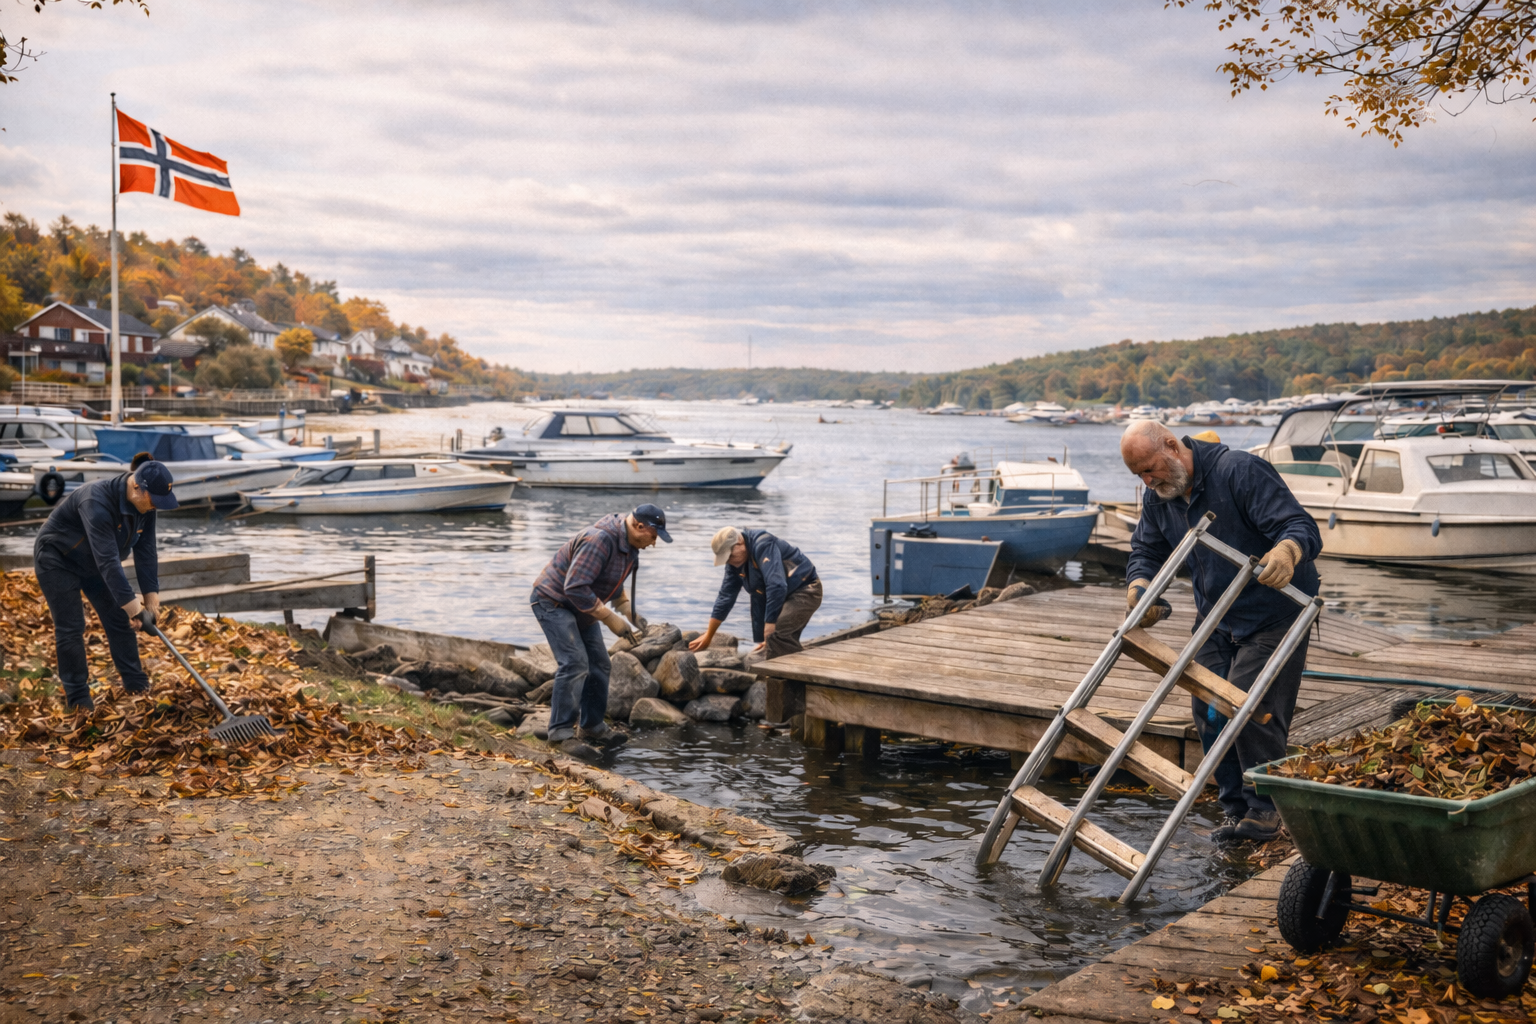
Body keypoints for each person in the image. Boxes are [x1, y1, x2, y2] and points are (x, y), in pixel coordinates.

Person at [1120, 420, 1322, 843]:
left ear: (1173, 447)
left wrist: (1288, 552)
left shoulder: (1239, 471)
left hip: (1275, 613)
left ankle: (1267, 808)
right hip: (1217, 614)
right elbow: (1146, 549)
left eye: (1150, 468)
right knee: (1209, 710)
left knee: (1250, 707)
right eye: (1138, 474)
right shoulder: (1161, 496)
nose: (1146, 480)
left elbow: (1300, 526)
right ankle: (1235, 808)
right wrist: (1140, 588)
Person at [33, 455, 179, 712]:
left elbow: (146, 551)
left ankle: (136, 685)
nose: (157, 506)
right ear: (137, 487)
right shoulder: (96, 500)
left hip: (94, 562)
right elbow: (109, 563)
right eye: (154, 501)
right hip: (58, 559)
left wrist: (151, 598)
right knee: (71, 627)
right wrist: (135, 608)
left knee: (119, 620)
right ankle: (79, 701)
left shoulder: (146, 506)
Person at [530, 503, 670, 758]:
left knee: (600, 664)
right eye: (653, 536)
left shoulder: (629, 545)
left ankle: (591, 727)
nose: (654, 544)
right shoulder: (600, 540)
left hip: (581, 607)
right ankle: (560, 734)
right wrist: (608, 618)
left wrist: (626, 608)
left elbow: (611, 580)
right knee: (574, 664)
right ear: (639, 526)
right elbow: (575, 587)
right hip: (553, 602)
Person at [689, 527, 821, 660]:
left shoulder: (763, 545)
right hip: (765, 595)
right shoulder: (734, 564)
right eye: (726, 559)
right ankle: (779, 659)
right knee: (762, 641)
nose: (729, 561)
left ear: (740, 543)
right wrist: (709, 635)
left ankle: (791, 672)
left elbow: (777, 585)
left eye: (730, 556)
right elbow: (725, 596)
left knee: (777, 634)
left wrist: (770, 626)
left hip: (805, 589)